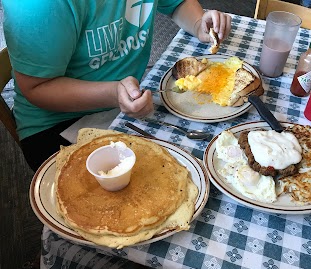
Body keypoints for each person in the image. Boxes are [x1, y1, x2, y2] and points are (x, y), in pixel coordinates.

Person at [3, 0, 232, 171]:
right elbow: (36, 88)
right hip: (55, 124)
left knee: (207, 161)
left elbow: (176, 3)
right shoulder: (37, 6)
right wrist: (113, 93)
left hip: (124, 103)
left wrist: (198, 22)